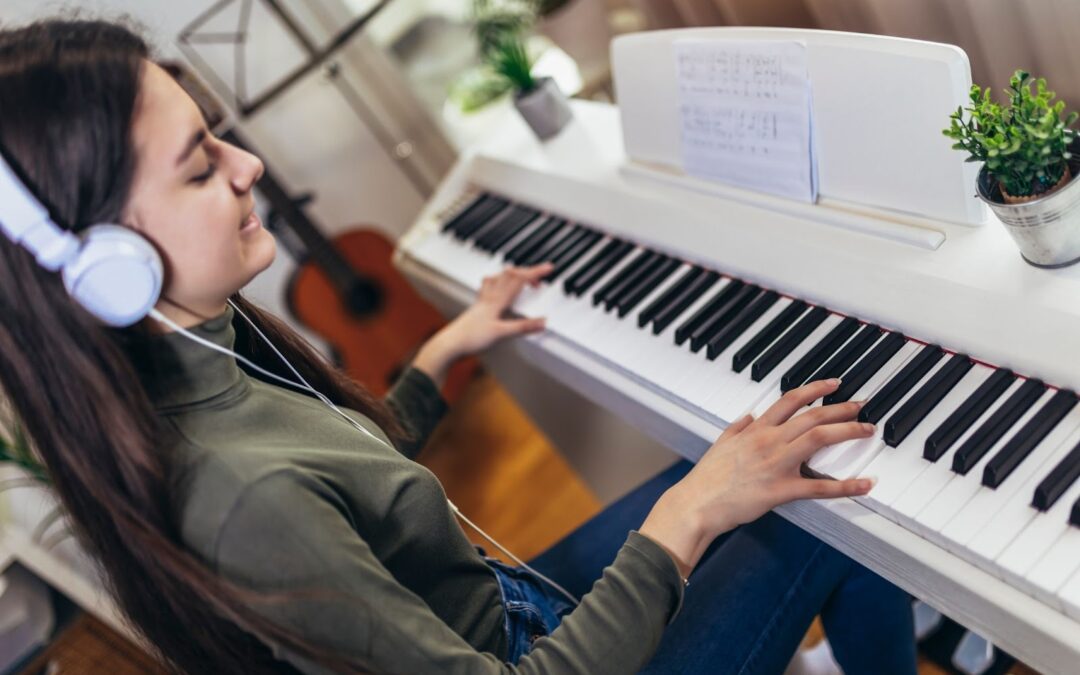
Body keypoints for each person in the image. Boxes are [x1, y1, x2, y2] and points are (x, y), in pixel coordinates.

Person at [0, 18, 917, 675]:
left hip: (511, 613)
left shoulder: (197, 351)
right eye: (201, 166)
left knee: (755, 457)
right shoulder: (238, 499)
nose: (249, 168)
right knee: (825, 486)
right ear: (101, 268)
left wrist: (450, 344)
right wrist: (689, 515)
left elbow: (350, 470)